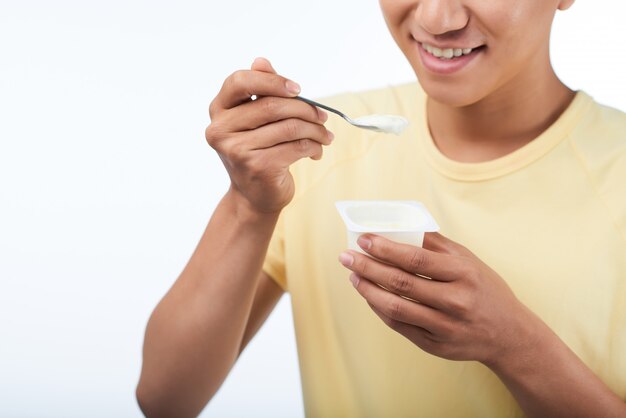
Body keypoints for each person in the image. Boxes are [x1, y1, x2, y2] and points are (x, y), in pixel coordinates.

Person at [136, 0, 626, 416]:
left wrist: (516, 345)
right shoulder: (314, 150)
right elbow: (166, 397)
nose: (436, 18)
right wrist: (247, 207)